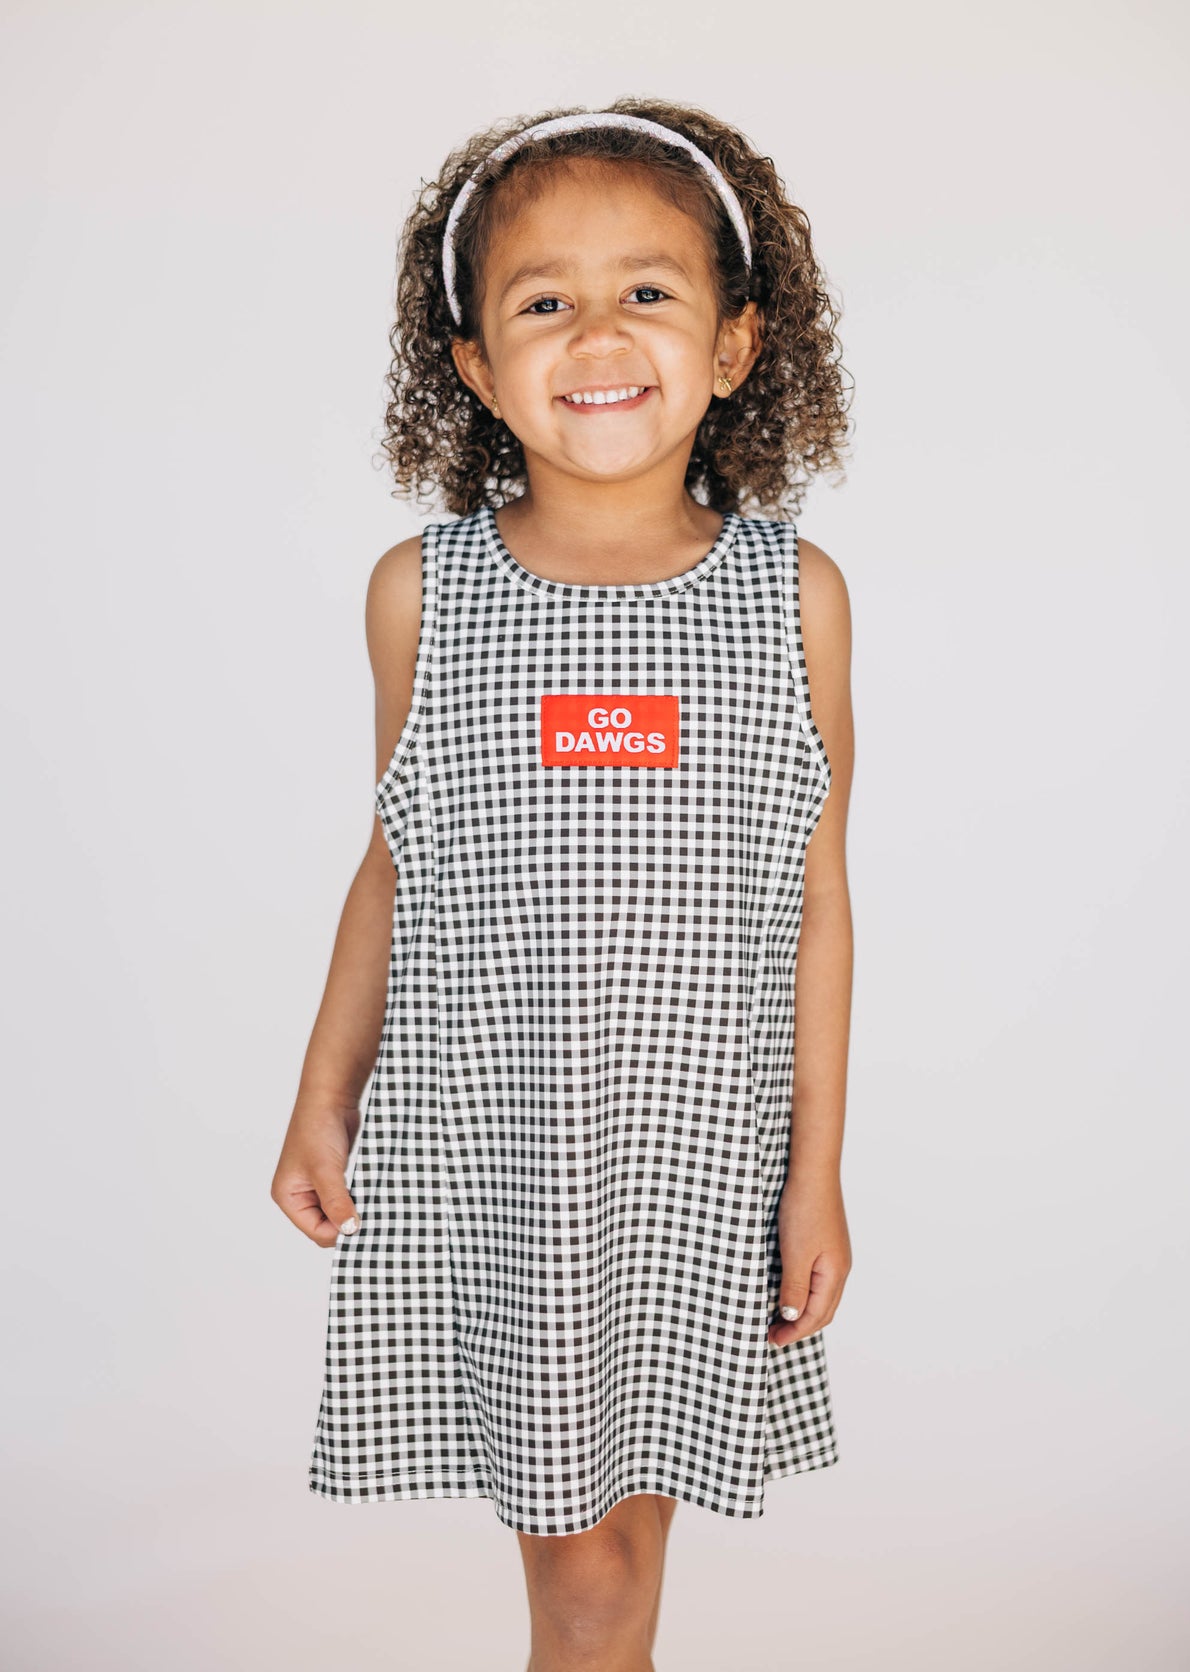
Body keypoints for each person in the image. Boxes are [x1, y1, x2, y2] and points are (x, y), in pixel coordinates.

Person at [272, 98, 856, 1672]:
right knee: (586, 1578)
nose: (598, 333)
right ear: (475, 366)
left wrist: (816, 1169)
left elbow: (815, 894)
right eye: (545, 302)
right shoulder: (426, 594)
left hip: (695, 1154)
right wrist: (324, 1095)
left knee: (627, 1556)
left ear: (735, 344)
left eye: (647, 290)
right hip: (503, 1144)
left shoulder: (791, 598)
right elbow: (398, 855)